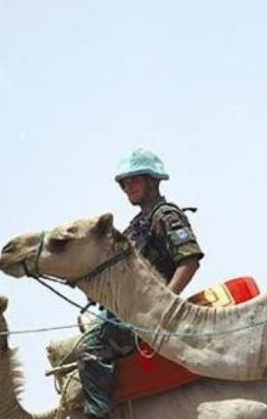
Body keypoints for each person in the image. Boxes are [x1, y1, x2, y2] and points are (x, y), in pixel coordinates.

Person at [77, 148, 204, 418]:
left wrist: (164, 304)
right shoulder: (136, 225)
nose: (127, 188)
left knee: (92, 347)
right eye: (124, 183)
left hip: (146, 315)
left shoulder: (166, 215)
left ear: (152, 181)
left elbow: (189, 260)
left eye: (133, 180)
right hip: (128, 310)